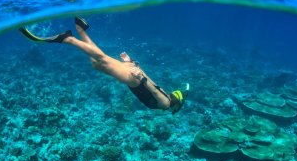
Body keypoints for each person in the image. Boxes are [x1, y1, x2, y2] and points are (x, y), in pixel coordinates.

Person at [19, 17, 188, 114]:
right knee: (101, 59)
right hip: (133, 79)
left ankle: (81, 29)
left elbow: (152, 88)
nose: (176, 92)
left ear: (177, 101)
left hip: (134, 78)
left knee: (97, 63)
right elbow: (151, 86)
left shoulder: (166, 103)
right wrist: (135, 70)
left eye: (179, 94)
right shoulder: (166, 100)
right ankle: (67, 39)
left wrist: (133, 66)